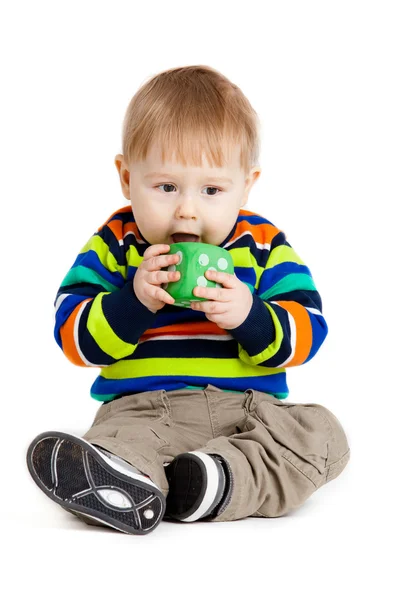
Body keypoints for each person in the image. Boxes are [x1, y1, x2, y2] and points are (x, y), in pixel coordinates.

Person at [26, 64, 350, 535]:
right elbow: (72, 334)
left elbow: (309, 329)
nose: (187, 209)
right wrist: (133, 300)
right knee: (119, 439)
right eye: (166, 187)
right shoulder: (116, 244)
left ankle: (216, 479)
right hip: (142, 408)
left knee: (322, 433)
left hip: (249, 412)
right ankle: (128, 475)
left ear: (247, 184)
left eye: (212, 190)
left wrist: (249, 315)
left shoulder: (262, 245)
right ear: (126, 177)